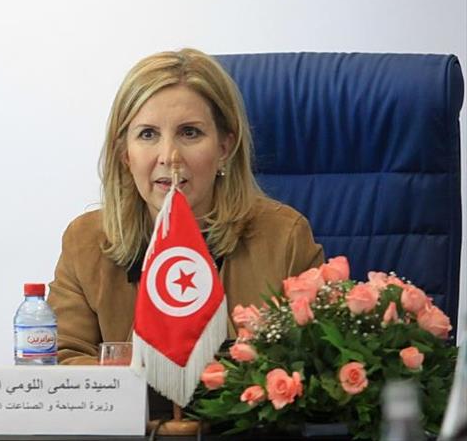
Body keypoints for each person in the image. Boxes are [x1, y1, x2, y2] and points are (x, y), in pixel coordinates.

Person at [47, 49, 324, 367]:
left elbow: (317, 365)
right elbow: (59, 360)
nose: (169, 157)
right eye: (148, 134)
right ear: (125, 153)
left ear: (224, 148)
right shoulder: (85, 242)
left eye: (189, 133)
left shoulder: (285, 238)